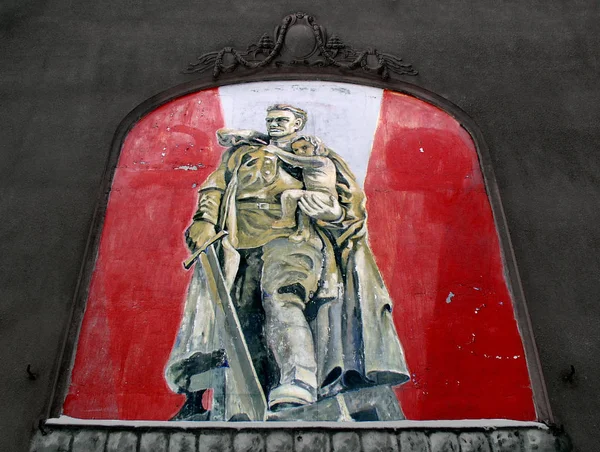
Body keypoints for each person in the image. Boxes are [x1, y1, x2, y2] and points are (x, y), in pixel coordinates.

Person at [165, 104, 409, 420]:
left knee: (282, 297)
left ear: (298, 123)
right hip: (240, 244)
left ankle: (297, 382)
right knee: (244, 314)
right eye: (270, 121)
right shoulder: (241, 155)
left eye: (282, 120)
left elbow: (337, 204)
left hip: (296, 239)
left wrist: (328, 212)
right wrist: (205, 220)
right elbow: (215, 188)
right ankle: (247, 396)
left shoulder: (311, 155)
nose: (275, 125)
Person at [269, 135, 339, 243]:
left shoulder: (321, 161)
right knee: (303, 207)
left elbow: (295, 160)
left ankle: (288, 219)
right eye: (296, 150)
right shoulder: (309, 163)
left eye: (305, 148)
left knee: (289, 195)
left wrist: (276, 151)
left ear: (316, 147)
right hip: (315, 194)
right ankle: (303, 231)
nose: (300, 152)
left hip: (326, 197)